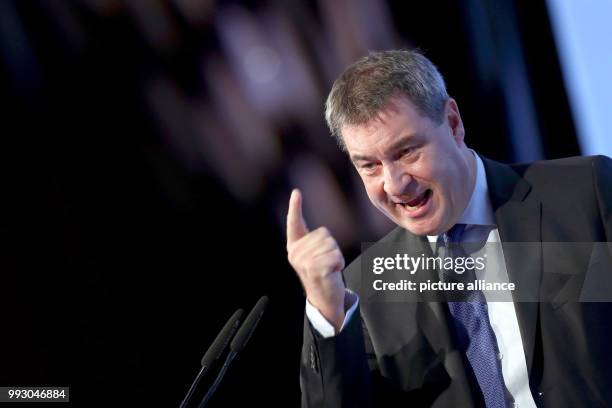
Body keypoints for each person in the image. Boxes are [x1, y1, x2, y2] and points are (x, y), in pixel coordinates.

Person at [286, 49, 612, 408]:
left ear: (453, 123)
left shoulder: (584, 195)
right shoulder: (362, 293)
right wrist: (329, 315)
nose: (394, 184)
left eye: (406, 151)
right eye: (370, 166)